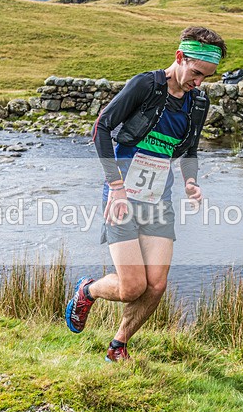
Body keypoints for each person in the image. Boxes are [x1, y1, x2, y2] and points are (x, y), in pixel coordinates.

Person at [65, 26, 226, 362]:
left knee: (156, 286)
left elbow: (190, 150)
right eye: (196, 73)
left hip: (158, 200)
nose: (199, 82)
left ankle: (118, 345)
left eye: (206, 77)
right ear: (180, 57)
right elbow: (102, 128)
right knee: (131, 287)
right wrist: (116, 186)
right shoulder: (145, 86)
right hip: (121, 195)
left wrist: (190, 181)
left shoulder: (198, 102)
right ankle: (87, 291)